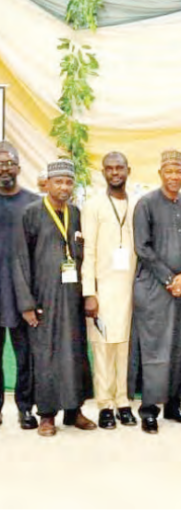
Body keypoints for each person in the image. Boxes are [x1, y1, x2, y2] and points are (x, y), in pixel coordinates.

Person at [13, 159, 95, 436]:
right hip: (43, 298)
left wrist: (87, 294)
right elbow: (20, 261)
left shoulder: (76, 212)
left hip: (71, 297)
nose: (63, 187)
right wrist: (26, 304)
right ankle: (47, 415)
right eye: (58, 181)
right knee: (46, 356)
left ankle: (74, 411)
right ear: (46, 183)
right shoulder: (32, 213)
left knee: (74, 353)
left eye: (68, 182)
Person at [129, 150, 181, 434]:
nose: (174, 177)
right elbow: (142, 248)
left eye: (179, 172)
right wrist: (171, 278)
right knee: (155, 350)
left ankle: (173, 406)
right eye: (169, 171)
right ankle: (149, 410)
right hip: (155, 289)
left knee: (179, 349)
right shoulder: (146, 204)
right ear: (160, 174)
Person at [81, 152, 138, 430]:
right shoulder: (93, 206)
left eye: (120, 168)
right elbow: (87, 250)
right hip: (102, 289)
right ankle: (104, 404)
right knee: (102, 347)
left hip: (128, 288)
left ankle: (123, 401)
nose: (115, 173)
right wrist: (89, 292)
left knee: (123, 346)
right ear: (103, 172)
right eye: (110, 168)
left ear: (129, 170)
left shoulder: (137, 204)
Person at [0, 141, 38, 429]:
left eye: (9, 163)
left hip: (22, 295)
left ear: (18, 168)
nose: (4, 168)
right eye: (0, 163)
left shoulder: (32, 204)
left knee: (26, 358)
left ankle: (26, 409)